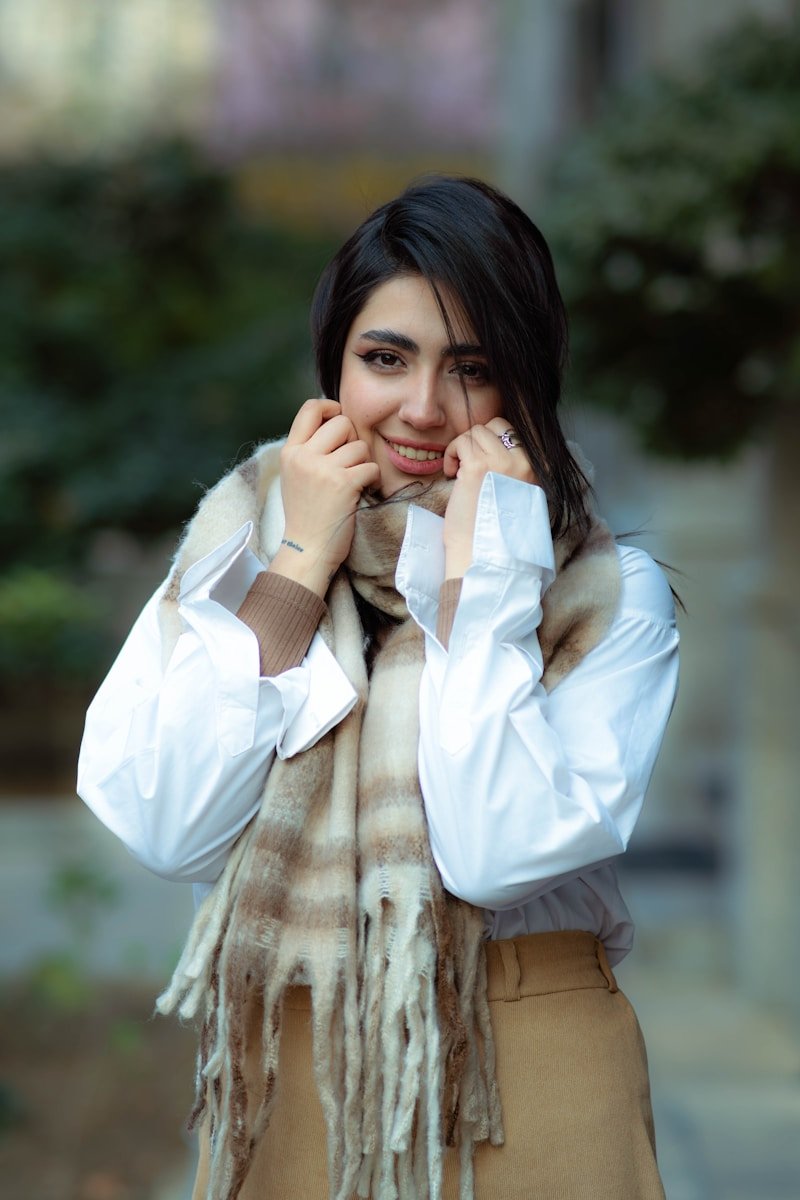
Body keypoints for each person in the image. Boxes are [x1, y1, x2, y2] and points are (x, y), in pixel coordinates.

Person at [78, 175, 678, 1200]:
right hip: (301, 1058)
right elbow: (170, 828)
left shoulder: (604, 595)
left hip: (532, 1063)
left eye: (472, 368)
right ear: (333, 368)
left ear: (527, 383)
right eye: (384, 358)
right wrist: (297, 568)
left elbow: (495, 855)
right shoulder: (235, 553)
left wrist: (483, 580)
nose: (421, 409)